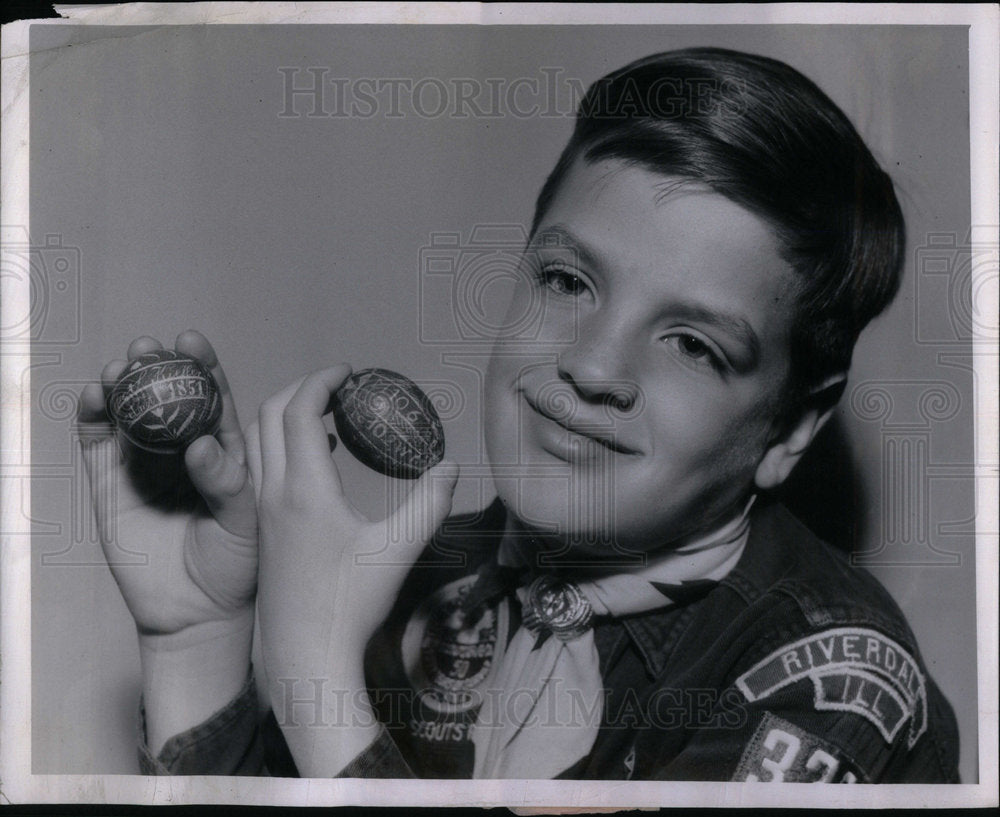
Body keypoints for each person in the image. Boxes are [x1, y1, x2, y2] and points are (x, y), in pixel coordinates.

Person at [77, 47, 960, 782]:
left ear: (792, 431)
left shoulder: (830, 680)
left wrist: (316, 677)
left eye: (694, 344)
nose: (592, 365)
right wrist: (198, 640)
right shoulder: (424, 587)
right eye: (568, 282)